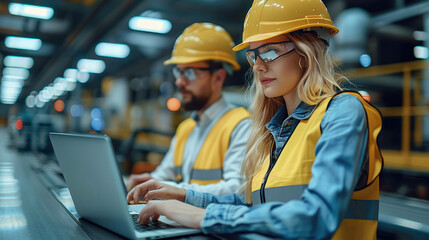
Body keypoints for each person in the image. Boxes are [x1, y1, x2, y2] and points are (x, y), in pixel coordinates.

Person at [127, 0, 383, 239]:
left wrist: (203, 216)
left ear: (308, 52)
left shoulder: (342, 111)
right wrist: (184, 196)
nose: (258, 66)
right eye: (254, 55)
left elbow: (316, 215)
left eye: (270, 52)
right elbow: (253, 202)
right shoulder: (275, 129)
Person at [127, 23, 252, 197]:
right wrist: (147, 183)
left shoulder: (241, 125)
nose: (179, 82)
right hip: (181, 220)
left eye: (190, 73)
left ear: (218, 78)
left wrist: (181, 192)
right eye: (179, 72)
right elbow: (164, 176)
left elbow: (238, 190)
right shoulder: (186, 129)